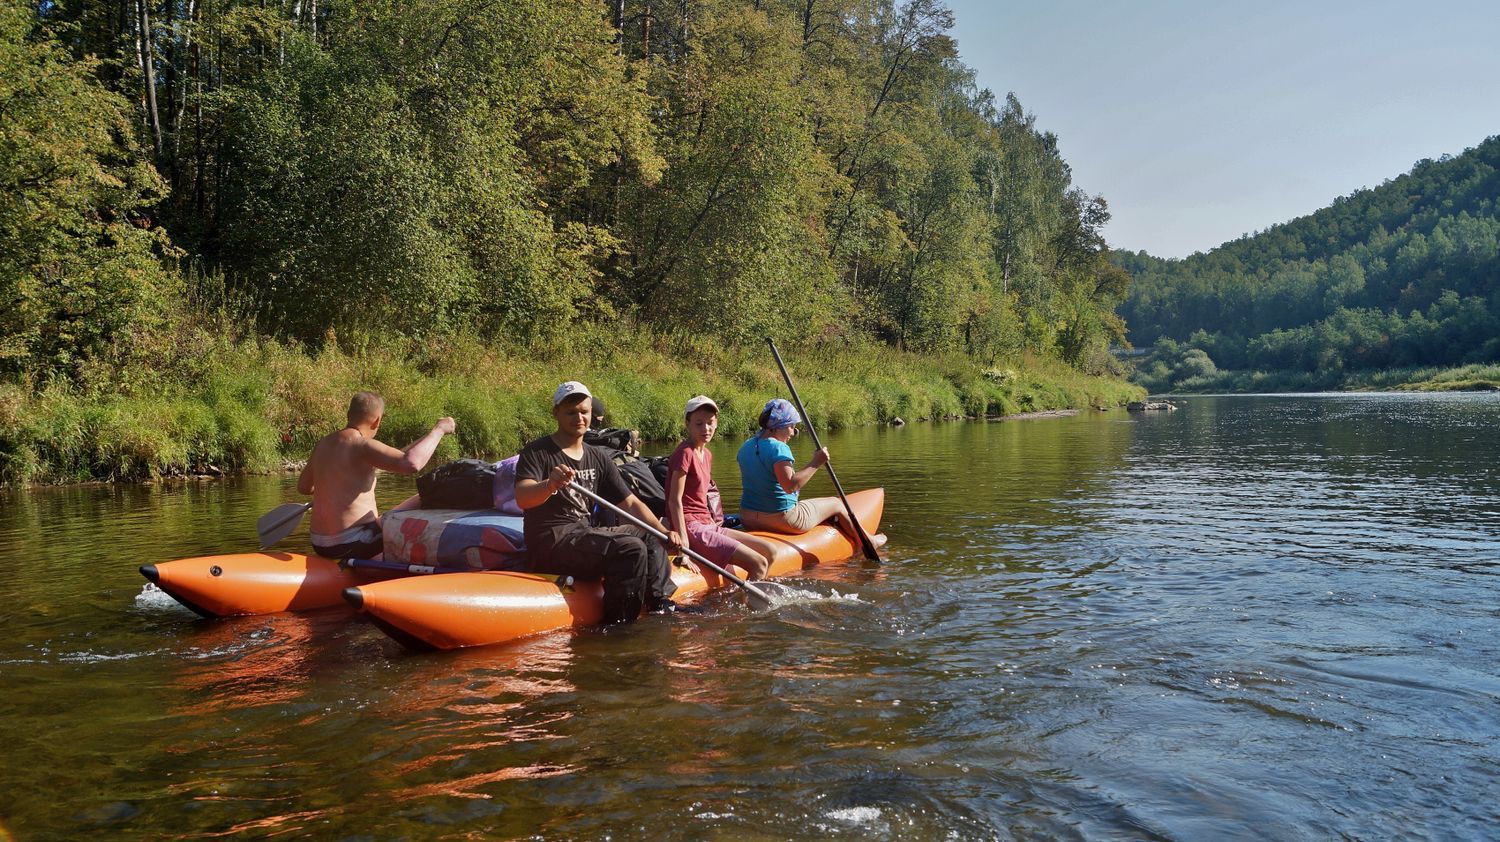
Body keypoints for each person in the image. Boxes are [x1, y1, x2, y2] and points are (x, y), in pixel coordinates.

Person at [514, 381, 689, 623]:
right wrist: (549, 484)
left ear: (591, 414)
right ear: (556, 413)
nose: (579, 417)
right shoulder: (537, 451)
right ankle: (618, 626)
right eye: (570, 412)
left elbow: (630, 503)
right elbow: (523, 497)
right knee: (630, 548)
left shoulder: (597, 455)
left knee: (647, 535)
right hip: (552, 542)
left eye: (584, 412)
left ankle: (658, 602)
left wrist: (664, 532)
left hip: (583, 533)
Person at [297, 391, 455, 559]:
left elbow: (304, 487)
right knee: (424, 496)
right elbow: (412, 463)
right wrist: (439, 430)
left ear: (349, 414)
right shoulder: (361, 445)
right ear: (377, 420)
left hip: (319, 544)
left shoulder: (323, 444)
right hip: (353, 543)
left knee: (386, 518)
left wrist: (332, 488)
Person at [666, 396, 777, 581]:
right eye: (699, 423)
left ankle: (747, 596)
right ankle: (750, 609)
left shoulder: (707, 454)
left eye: (710, 423)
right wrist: (683, 545)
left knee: (770, 551)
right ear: (688, 424)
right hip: (692, 527)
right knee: (758, 563)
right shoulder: (684, 453)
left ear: (716, 423)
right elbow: (674, 500)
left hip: (708, 525)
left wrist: (715, 524)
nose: (705, 429)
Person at [736, 397, 849, 535]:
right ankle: (868, 540)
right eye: (791, 426)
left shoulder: (746, 446)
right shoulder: (778, 448)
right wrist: (817, 462)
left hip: (748, 519)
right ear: (779, 425)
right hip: (782, 519)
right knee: (835, 503)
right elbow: (790, 486)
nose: (793, 433)